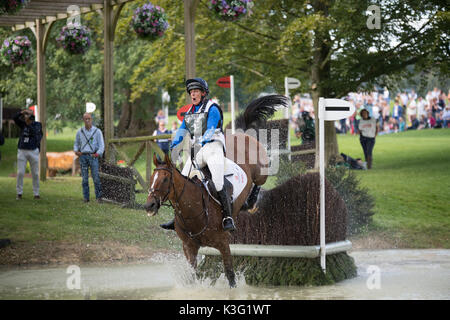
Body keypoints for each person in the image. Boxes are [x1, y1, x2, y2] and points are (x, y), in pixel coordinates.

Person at [160, 77, 236, 232]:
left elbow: (210, 128)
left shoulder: (212, 107)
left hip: (214, 147)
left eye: (196, 91)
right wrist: (173, 144)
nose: (193, 95)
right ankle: (177, 218)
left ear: (203, 93)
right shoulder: (189, 112)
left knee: (218, 181)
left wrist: (201, 142)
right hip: (200, 150)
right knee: (181, 179)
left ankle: (228, 217)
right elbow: (182, 131)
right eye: (191, 92)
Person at [74, 112, 105, 203]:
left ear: (92, 119)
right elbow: (76, 143)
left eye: (89, 119)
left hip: (93, 156)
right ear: (83, 120)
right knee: (84, 179)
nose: (87, 121)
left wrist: (97, 154)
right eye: (85, 119)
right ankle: (86, 197)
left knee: (96, 177)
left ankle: (99, 197)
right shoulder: (80, 132)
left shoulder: (97, 131)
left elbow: (101, 145)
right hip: (83, 156)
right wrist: (76, 151)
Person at [13, 109, 43, 200]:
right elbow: (14, 118)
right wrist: (21, 112)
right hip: (22, 150)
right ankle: (19, 193)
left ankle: (36, 193)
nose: (26, 116)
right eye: (26, 114)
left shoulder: (37, 124)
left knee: (35, 173)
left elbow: (35, 133)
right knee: (20, 172)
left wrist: (29, 123)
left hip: (33, 150)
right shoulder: (22, 124)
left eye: (28, 114)